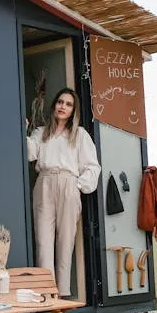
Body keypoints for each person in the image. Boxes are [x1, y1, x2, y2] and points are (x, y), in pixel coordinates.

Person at [26, 87, 101, 296]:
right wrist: (21, 131)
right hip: (45, 183)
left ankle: (64, 292)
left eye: (68, 104)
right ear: (54, 105)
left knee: (66, 241)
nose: (63, 107)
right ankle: (46, 292)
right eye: (60, 102)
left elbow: (93, 167)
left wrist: (78, 185)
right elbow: (30, 154)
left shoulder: (79, 135)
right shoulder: (41, 133)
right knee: (43, 239)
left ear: (73, 110)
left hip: (69, 183)